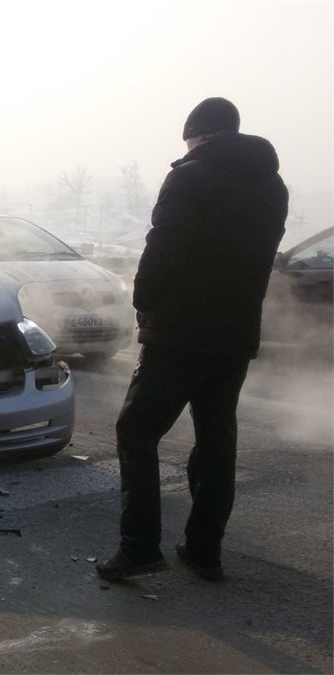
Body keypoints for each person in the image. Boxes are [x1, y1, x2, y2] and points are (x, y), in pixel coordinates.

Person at [96, 98, 288, 582]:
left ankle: (139, 547)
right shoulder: (274, 186)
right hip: (236, 332)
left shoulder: (189, 176)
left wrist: (142, 301)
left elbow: (163, 248)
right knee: (217, 437)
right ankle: (204, 550)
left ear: (198, 135)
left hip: (181, 330)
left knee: (137, 430)